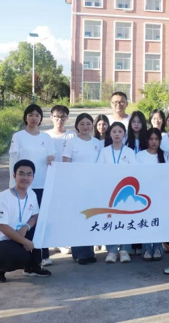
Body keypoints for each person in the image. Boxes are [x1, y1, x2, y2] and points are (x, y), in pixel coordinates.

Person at [0, 160, 51, 282]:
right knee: (21, 257)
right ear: (14, 176)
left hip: (17, 236)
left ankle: (32, 268)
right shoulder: (3, 198)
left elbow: (35, 216)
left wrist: (25, 228)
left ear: (33, 177)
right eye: (21, 174)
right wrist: (25, 241)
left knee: (42, 227)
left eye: (29, 174)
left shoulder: (31, 194)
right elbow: (2, 226)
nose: (25, 178)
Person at [9, 104, 55, 266]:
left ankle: (43, 254)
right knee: (25, 220)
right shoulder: (18, 136)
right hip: (24, 186)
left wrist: (51, 160)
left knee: (42, 220)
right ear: (25, 117)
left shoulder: (46, 138)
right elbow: (13, 161)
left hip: (42, 184)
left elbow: (52, 159)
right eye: (30, 115)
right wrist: (13, 183)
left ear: (41, 118)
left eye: (37, 115)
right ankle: (25, 255)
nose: (34, 118)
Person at [62, 113, 101, 265]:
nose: (85, 127)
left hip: (93, 186)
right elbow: (65, 165)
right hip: (76, 186)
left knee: (90, 218)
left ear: (92, 126)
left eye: (88, 124)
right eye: (82, 124)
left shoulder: (97, 142)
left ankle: (89, 252)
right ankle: (79, 253)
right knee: (78, 219)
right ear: (77, 126)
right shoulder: (71, 142)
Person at [97, 121, 137, 263]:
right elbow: (99, 170)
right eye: (114, 131)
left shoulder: (130, 152)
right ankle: (112, 250)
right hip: (109, 191)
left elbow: (134, 171)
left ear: (124, 134)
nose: (117, 134)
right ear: (110, 134)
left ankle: (125, 249)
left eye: (120, 131)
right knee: (110, 219)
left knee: (126, 219)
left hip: (125, 191)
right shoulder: (104, 151)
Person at [46, 105, 76, 256]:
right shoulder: (45, 136)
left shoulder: (72, 136)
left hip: (66, 179)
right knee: (50, 212)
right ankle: (51, 242)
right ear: (51, 117)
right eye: (57, 117)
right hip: (49, 178)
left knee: (65, 211)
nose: (59, 120)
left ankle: (63, 241)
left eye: (63, 117)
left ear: (67, 118)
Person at [136, 128, 168, 261]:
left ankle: (158, 246)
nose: (154, 142)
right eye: (151, 139)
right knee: (145, 220)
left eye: (156, 139)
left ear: (160, 140)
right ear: (147, 140)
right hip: (144, 194)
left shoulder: (165, 155)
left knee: (158, 220)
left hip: (160, 193)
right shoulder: (140, 155)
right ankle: (146, 247)